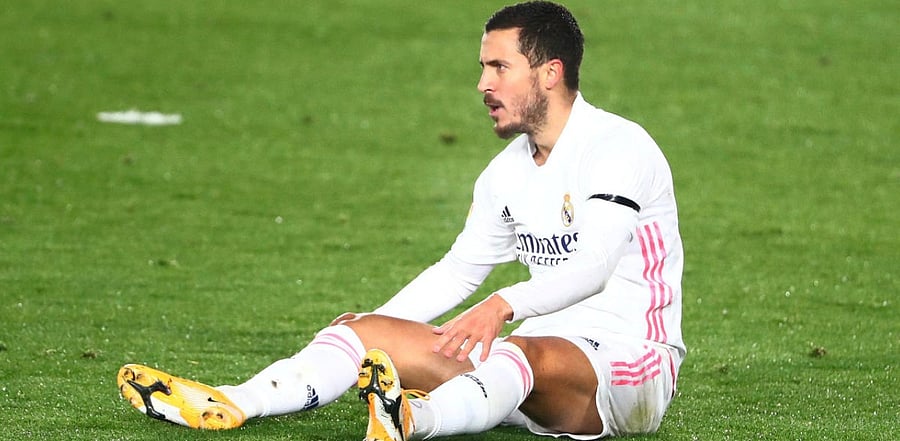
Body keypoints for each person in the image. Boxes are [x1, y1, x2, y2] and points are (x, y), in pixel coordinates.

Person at [117, 1, 685, 439]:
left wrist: (502, 305)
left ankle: (414, 420)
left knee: (522, 349)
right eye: (482, 67)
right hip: (528, 374)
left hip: (632, 370)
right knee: (362, 333)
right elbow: (458, 272)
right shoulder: (504, 174)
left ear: (549, 73)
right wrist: (378, 325)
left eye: (499, 67)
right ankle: (234, 401)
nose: (483, 84)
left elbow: (593, 269)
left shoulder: (617, 147)